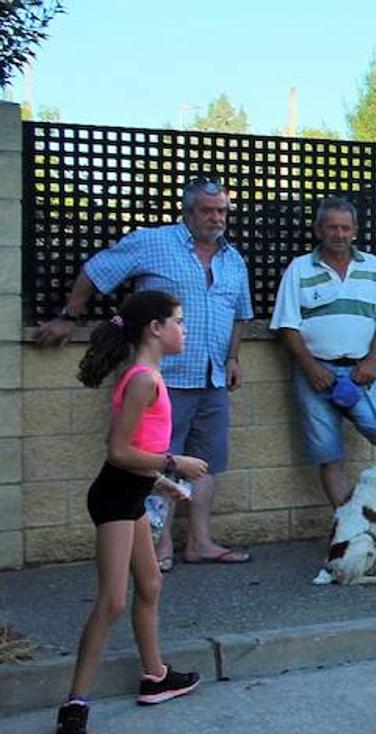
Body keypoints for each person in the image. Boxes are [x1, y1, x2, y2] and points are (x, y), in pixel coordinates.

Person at [36, 176, 254, 570]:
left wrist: (233, 358)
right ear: (187, 212)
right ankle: (159, 547)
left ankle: (200, 543)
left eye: (221, 210)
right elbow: (96, 271)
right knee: (156, 465)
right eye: (207, 210)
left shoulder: (232, 259)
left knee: (206, 463)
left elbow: (239, 314)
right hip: (163, 381)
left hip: (212, 379)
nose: (216, 218)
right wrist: (70, 316)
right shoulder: (153, 242)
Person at [53, 291, 210, 734]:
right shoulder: (143, 379)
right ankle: (75, 705)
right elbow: (117, 451)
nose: (184, 330)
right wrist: (174, 462)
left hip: (133, 494)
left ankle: (156, 676)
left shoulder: (148, 375)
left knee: (151, 585)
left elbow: (128, 447)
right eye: (178, 322)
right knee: (112, 602)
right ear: (155, 329)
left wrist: (160, 483)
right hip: (115, 500)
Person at [271, 197, 376, 506]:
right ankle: (349, 523)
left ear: (355, 230)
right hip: (315, 373)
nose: (339, 234)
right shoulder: (299, 268)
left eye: (346, 228)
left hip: (361, 372)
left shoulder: (372, 266)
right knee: (328, 453)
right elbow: (287, 326)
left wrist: (373, 362)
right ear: (319, 229)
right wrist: (311, 369)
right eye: (332, 227)